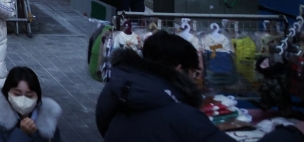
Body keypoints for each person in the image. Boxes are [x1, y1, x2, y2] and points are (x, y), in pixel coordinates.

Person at [95, 32, 304, 142]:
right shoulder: (178, 115)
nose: (199, 79)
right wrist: (293, 133)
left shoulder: (123, 93)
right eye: (196, 72)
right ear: (179, 69)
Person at [0, 66, 62, 142]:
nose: (23, 100)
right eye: (17, 94)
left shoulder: (48, 118)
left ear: (37, 96)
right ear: (7, 93)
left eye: (29, 96)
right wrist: (22, 134)